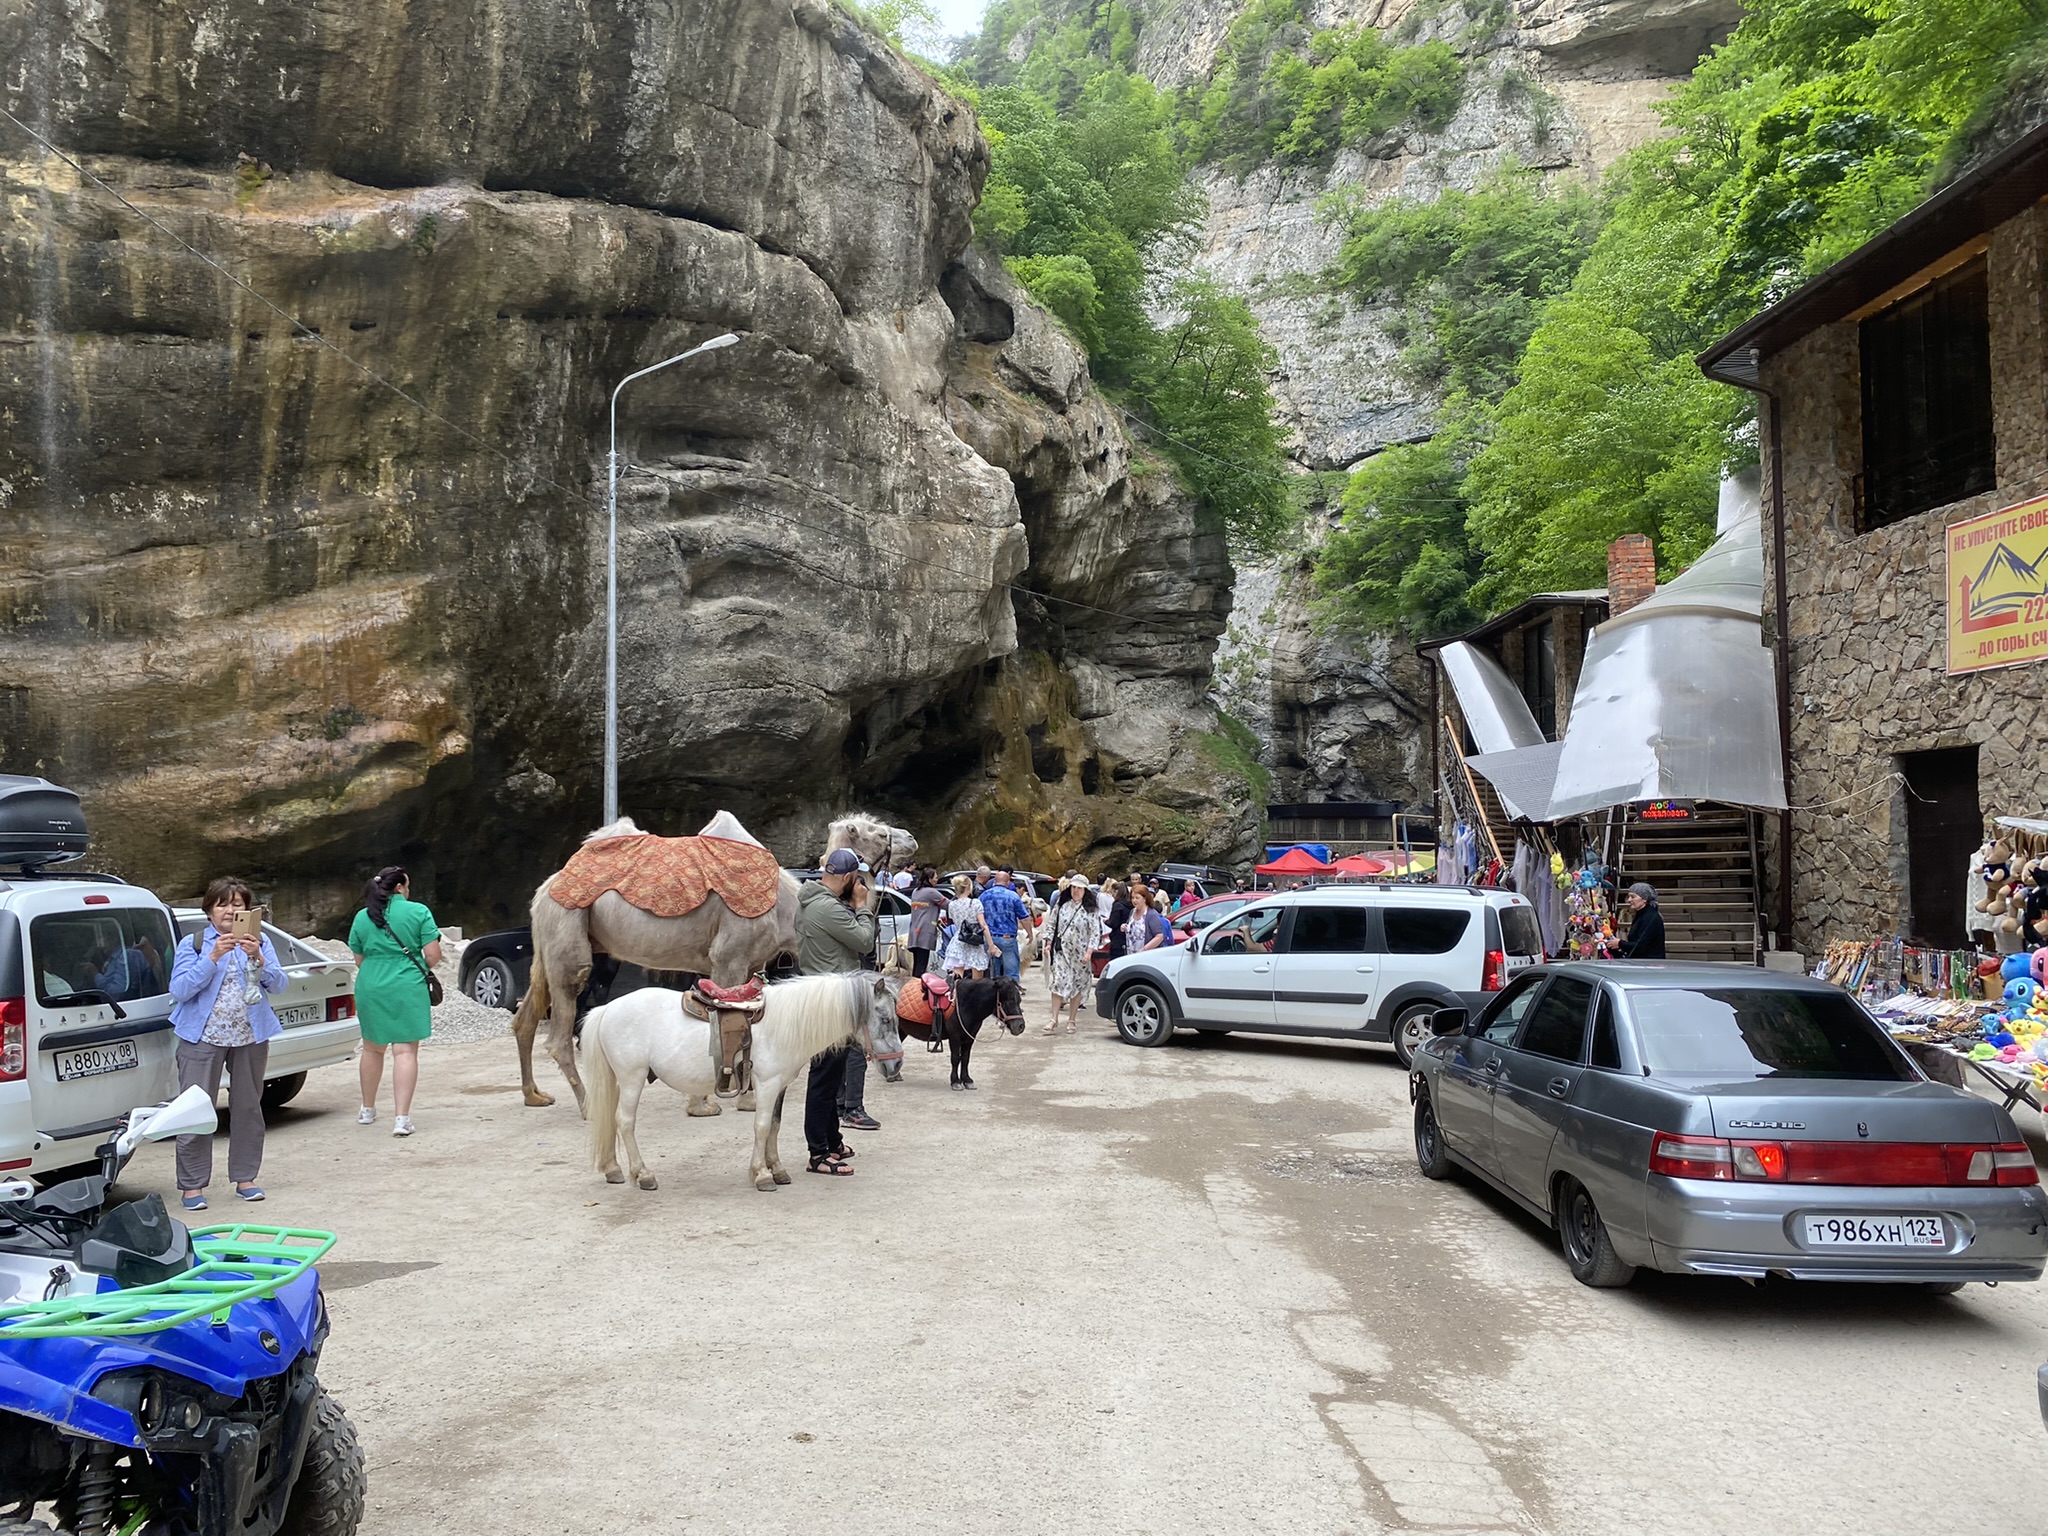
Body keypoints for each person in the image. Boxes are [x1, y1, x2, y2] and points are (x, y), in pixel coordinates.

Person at [167, 876, 287, 1209]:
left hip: (249, 1035)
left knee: (249, 1108)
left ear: (249, 911)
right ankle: (192, 1186)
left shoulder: (259, 941)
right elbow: (179, 990)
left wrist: (259, 958)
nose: (230, 911)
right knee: (194, 1110)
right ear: (209, 910)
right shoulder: (193, 944)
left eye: (238, 904)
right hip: (201, 1037)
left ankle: (245, 1178)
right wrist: (212, 958)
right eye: (223, 904)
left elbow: (279, 985)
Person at [797, 849, 881, 1174]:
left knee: (831, 1077)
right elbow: (864, 942)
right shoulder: (828, 908)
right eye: (856, 878)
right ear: (847, 878)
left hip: (825, 995)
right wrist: (862, 907)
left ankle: (831, 1140)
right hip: (830, 1000)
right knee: (824, 1077)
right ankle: (818, 1153)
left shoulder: (812, 901)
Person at [349, 866, 442, 1137]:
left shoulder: (362, 916)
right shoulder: (418, 912)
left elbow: (358, 958)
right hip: (406, 984)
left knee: (372, 1049)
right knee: (404, 1051)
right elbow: (433, 955)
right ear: (400, 887)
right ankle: (401, 1119)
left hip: (370, 984)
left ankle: (367, 1110)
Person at [1045, 879, 1104, 1035]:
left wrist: (1089, 952)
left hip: (1080, 954)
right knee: (1058, 982)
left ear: (1085, 890)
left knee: (1077, 985)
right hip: (1062, 951)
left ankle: (1072, 1019)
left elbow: (1095, 932)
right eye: (1073, 888)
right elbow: (1051, 924)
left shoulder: (1090, 909)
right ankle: (1054, 1018)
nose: (1076, 891)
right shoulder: (1061, 904)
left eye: (1079, 888)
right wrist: (1048, 943)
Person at [980, 868, 1030, 983]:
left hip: (990, 939)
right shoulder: (1013, 896)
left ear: (994, 881)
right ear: (1008, 883)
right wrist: (1030, 933)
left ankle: (994, 997)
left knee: (993, 973)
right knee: (1011, 973)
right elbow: (1024, 918)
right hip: (1007, 938)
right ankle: (1011, 997)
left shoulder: (984, 896)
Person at [942, 874, 995, 977]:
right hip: (974, 941)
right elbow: (983, 925)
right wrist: (991, 945)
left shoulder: (952, 905)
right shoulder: (975, 903)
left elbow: (954, 921)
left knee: (957, 978)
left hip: (958, 940)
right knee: (978, 980)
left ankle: (955, 993)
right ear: (968, 887)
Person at [907, 864, 947, 977]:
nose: (937, 879)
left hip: (915, 932)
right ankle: (918, 989)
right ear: (929, 879)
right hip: (925, 932)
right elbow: (948, 905)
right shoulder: (931, 892)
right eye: (935, 877)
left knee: (917, 964)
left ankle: (914, 986)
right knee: (921, 966)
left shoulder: (916, 891)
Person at [1616, 882, 1667, 960]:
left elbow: (1641, 946)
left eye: (1633, 897)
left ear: (1644, 899)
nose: (1629, 900)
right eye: (1628, 896)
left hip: (1649, 964)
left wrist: (1620, 944)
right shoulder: (1643, 914)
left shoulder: (1649, 917)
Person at [1124, 886, 1170, 955]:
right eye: (1132, 898)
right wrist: (1124, 927)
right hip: (1130, 954)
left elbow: (1159, 936)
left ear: (1144, 899)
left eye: (1137, 898)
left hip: (1145, 956)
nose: (1134, 900)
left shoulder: (1151, 914)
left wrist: (1144, 949)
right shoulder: (1132, 911)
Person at [1102, 878, 1131, 965]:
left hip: (1117, 937)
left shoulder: (1117, 905)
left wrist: (1106, 921)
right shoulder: (1130, 904)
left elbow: (1113, 923)